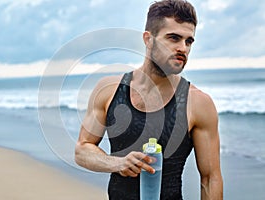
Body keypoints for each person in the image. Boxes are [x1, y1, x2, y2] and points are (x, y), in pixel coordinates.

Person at [75, 0, 223, 199]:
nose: (183, 48)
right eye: (174, 38)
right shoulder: (109, 89)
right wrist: (117, 163)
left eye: (189, 41)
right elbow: (82, 150)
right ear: (148, 39)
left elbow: (210, 178)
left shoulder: (198, 103)